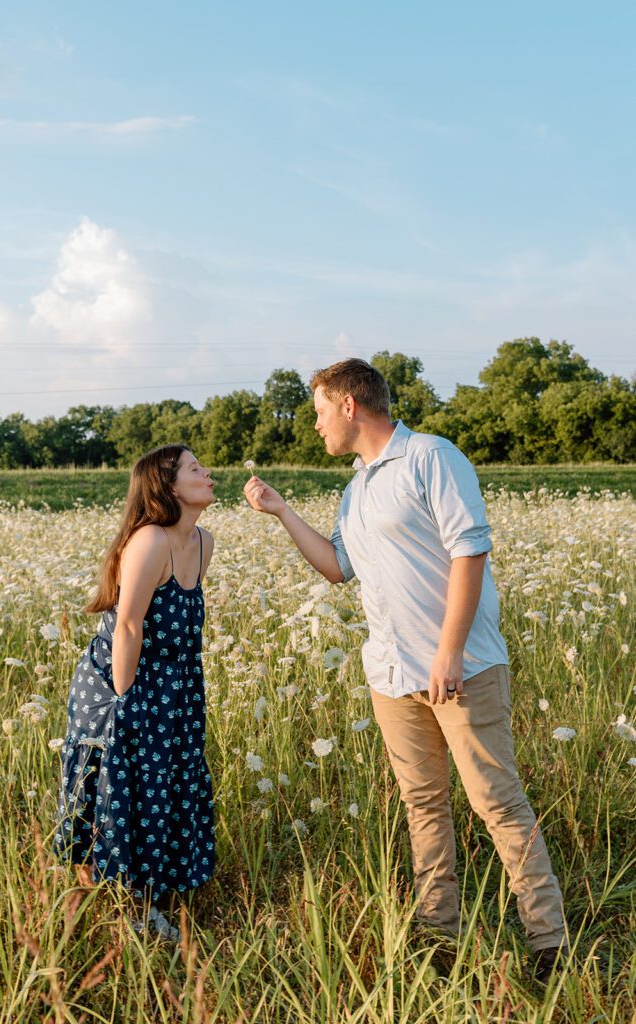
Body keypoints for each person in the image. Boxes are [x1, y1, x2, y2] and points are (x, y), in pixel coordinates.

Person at [244, 358, 567, 982]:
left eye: (317, 412)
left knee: (496, 801)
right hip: (391, 675)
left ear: (348, 406)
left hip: (460, 668)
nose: (315, 427)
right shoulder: (356, 488)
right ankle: (438, 932)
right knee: (422, 804)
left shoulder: (432, 457)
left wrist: (447, 652)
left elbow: (469, 548)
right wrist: (283, 513)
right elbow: (339, 568)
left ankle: (548, 939)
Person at [55, 444, 216, 933]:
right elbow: (127, 627)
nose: (207, 472)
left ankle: (149, 892)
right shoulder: (149, 541)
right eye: (194, 468)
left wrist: (179, 693)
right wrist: (125, 703)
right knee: (126, 780)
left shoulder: (204, 541)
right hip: (121, 680)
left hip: (176, 682)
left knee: (168, 781)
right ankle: (119, 902)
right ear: (168, 488)